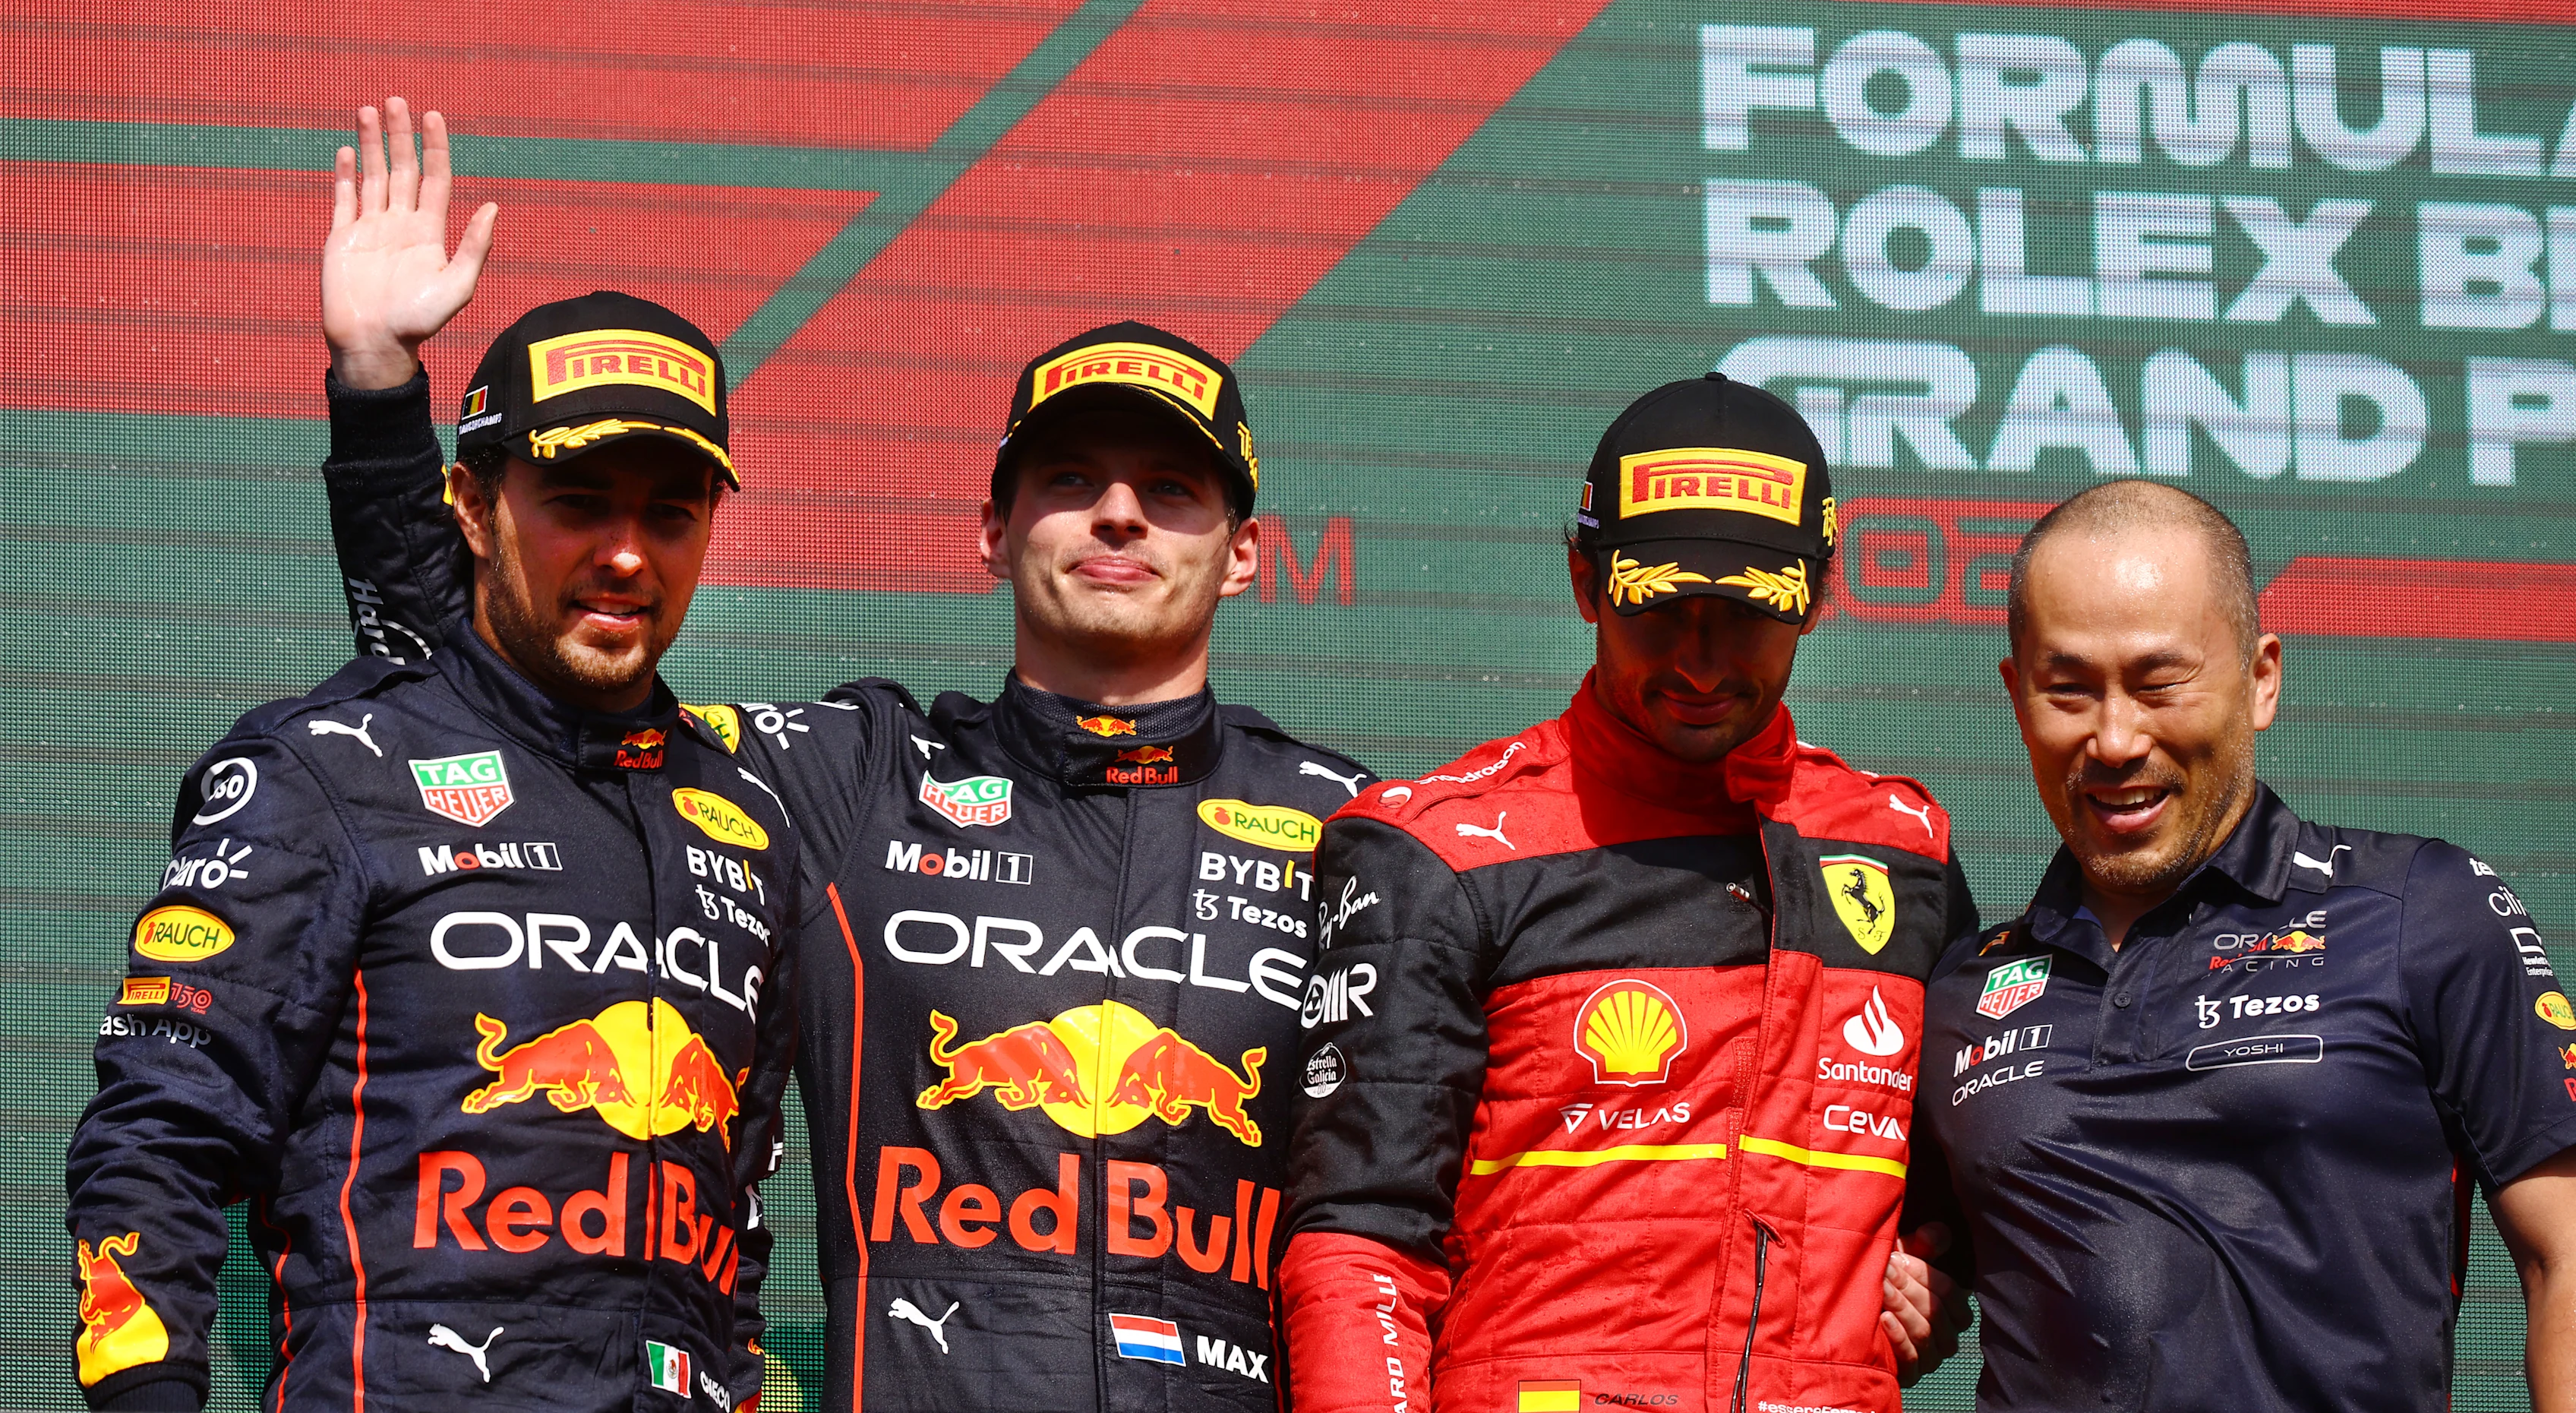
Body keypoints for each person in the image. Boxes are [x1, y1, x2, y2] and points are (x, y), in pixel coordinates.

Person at [311, 104, 1372, 1409]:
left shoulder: (1354, 829)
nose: (1116, 513)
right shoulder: (854, 780)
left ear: (1246, 553)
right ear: (991, 531)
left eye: (1171, 489)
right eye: (1067, 479)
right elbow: (500, 702)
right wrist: (378, 396)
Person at [65, 100, 797, 1411]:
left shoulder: (743, 809)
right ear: (472, 503)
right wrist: (375, 387)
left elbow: (736, 1229)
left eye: (671, 514)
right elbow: (158, 1140)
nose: (626, 552)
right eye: (578, 503)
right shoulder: (327, 769)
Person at [1279, 375, 1977, 1413]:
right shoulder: (1437, 849)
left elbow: (1976, 1182)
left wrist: (1930, 1263)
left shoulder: (1902, 850)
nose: (1699, 659)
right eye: (1659, 606)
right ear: (1584, 580)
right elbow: (1359, 1244)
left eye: (1746, 612)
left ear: (1816, 596)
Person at [1911, 479, 2576, 1411]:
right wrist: (1899, 1294)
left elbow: (2563, 1251)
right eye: (2067, 689)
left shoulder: (2421, 908)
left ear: (2261, 677)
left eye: (2158, 682)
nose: (2114, 737)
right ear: (2015, 696)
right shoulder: (1954, 991)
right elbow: (1901, 1280)